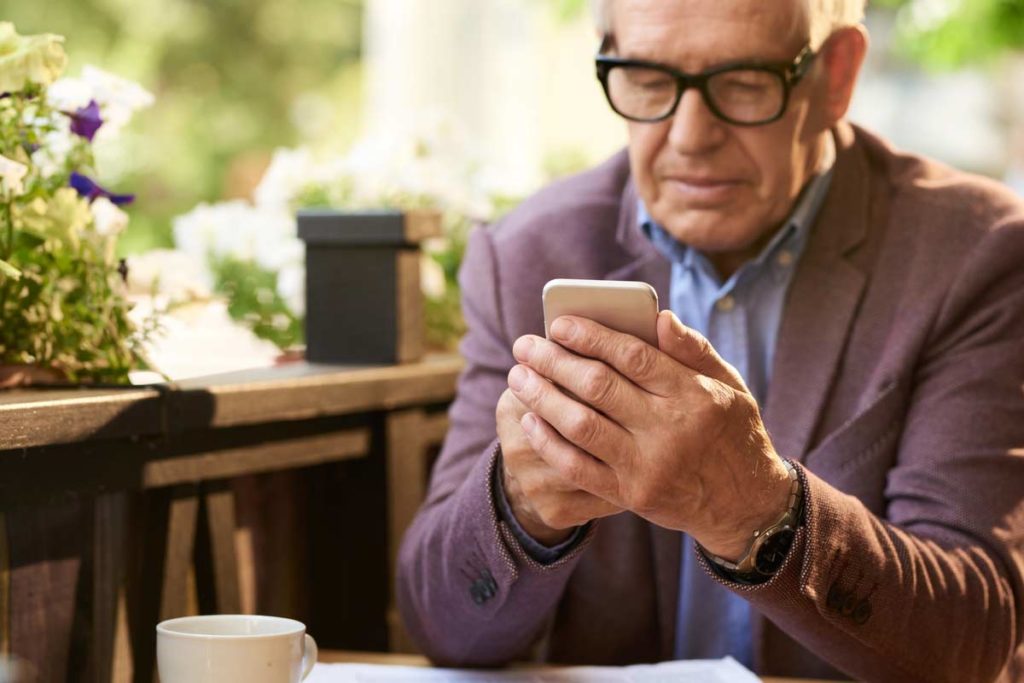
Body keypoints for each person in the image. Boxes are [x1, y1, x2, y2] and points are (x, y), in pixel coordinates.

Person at [396, 0, 1024, 680]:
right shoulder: (524, 255)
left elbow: (974, 638)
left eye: (743, 81)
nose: (690, 135)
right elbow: (441, 626)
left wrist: (763, 511)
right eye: (647, 78)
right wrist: (520, 509)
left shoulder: (974, 254)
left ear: (836, 74)